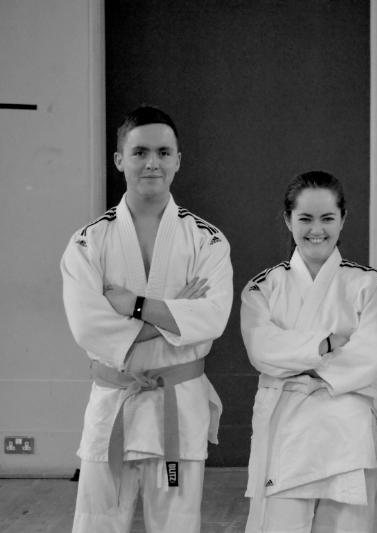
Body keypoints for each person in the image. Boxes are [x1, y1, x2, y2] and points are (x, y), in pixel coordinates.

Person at [61, 105, 234, 533]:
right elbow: (88, 328)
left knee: (177, 525)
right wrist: (174, 314)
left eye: (162, 151)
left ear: (178, 160)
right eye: (139, 152)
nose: (151, 162)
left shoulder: (206, 240)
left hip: (179, 403)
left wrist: (132, 305)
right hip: (114, 403)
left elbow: (211, 318)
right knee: (96, 525)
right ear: (120, 159)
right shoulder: (88, 242)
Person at [240, 171, 377, 533]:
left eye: (327, 218)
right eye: (305, 218)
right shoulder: (263, 288)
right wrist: (323, 345)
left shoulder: (368, 285)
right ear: (288, 219)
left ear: (343, 219)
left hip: (346, 428)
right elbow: (262, 350)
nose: (316, 230)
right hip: (285, 427)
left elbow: (369, 357)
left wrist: (296, 365)